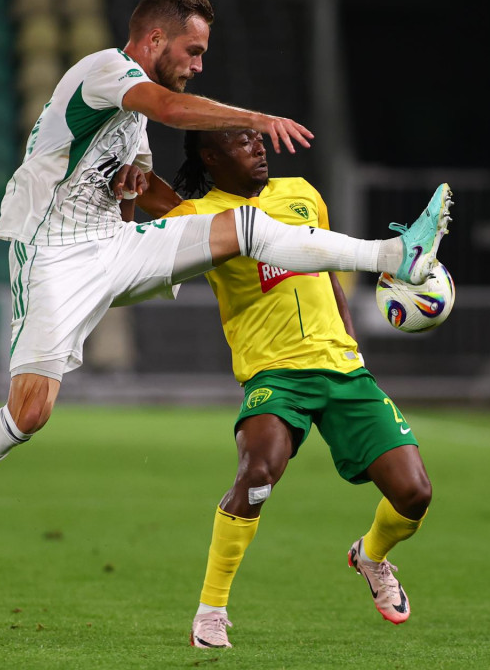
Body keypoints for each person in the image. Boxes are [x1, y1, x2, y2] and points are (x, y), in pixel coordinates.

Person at [0, 0, 451, 584]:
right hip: (53, 258)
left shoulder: (133, 126)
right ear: (153, 40)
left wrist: (128, 195)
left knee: (247, 226)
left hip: (113, 249)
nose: (198, 66)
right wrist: (257, 118)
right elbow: (172, 110)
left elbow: (144, 208)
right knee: (29, 414)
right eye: (192, 52)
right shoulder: (103, 71)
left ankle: (394, 254)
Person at [160, 129, 450, 649]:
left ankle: (371, 557)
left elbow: (328, 269)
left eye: (258, 139)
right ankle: (211, 611)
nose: (259, 147)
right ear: (211, 157)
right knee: (257, 473)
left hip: (341, 366)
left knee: (415, 494)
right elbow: (154, 233)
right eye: (243, 142)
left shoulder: (302, 192)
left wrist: (351, 338)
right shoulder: (199, 217)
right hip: (273, 373)